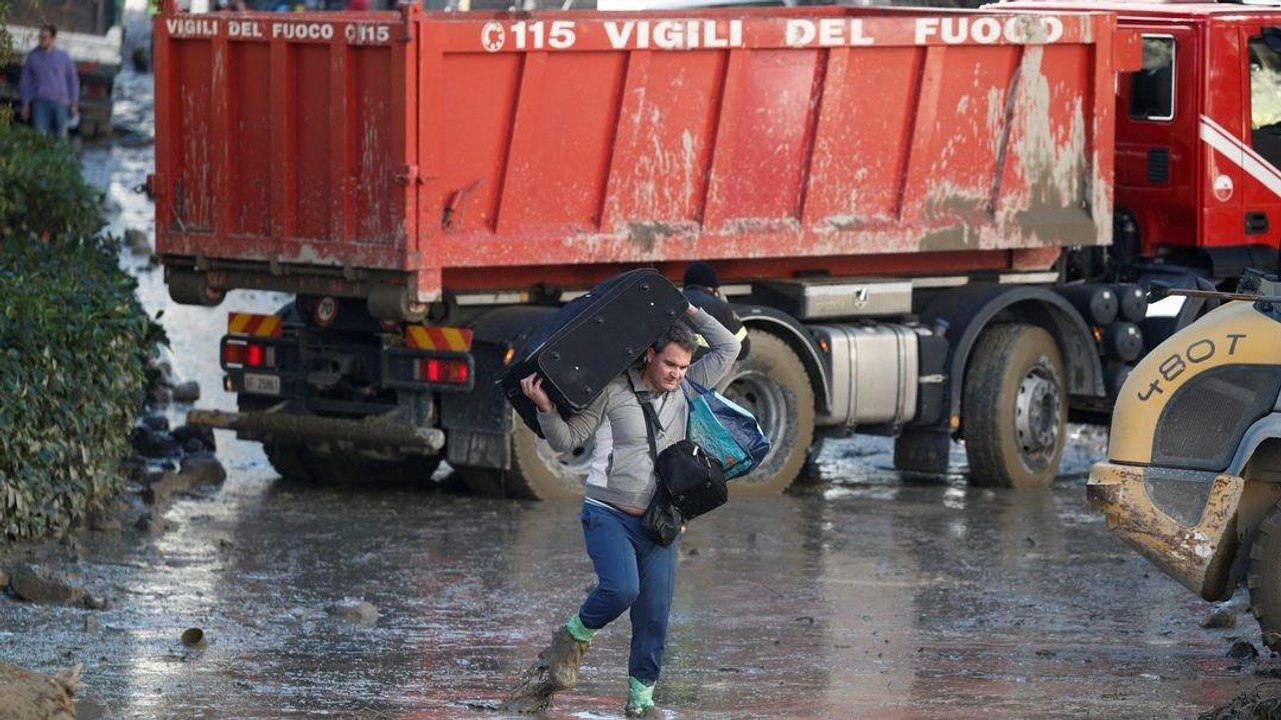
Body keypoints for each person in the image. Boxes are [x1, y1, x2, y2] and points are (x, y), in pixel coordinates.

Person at [510, 305, 740, 717]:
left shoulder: (688, 389)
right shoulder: (612, 390)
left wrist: (687, 309)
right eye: (670, 364)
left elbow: (728, 348)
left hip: (660, 520)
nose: (677, 374)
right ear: (650, 354)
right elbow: (566, 440)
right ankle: (572, 637)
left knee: (654, 616)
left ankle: (640, 701)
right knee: (621, 589)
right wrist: (545, 408)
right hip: (608, 513)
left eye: (684, 367)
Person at [19, 25, 80, 140]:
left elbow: (73, 80)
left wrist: (74, 103)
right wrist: (25, 104)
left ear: (52, 39)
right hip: (40, 103)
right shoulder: (33, 56)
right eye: (40, 37)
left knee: (61, 137)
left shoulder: (63, 57)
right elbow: (25, 81)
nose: (42, 40)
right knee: (40, 137)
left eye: (45, 37)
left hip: (61, 103)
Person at [682, 261, 749, 361]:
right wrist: (729, 310)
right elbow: (743, 350)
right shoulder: (721, 307)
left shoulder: (673, 302)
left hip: (675, 366)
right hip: (707, 367)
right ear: (714, 288)